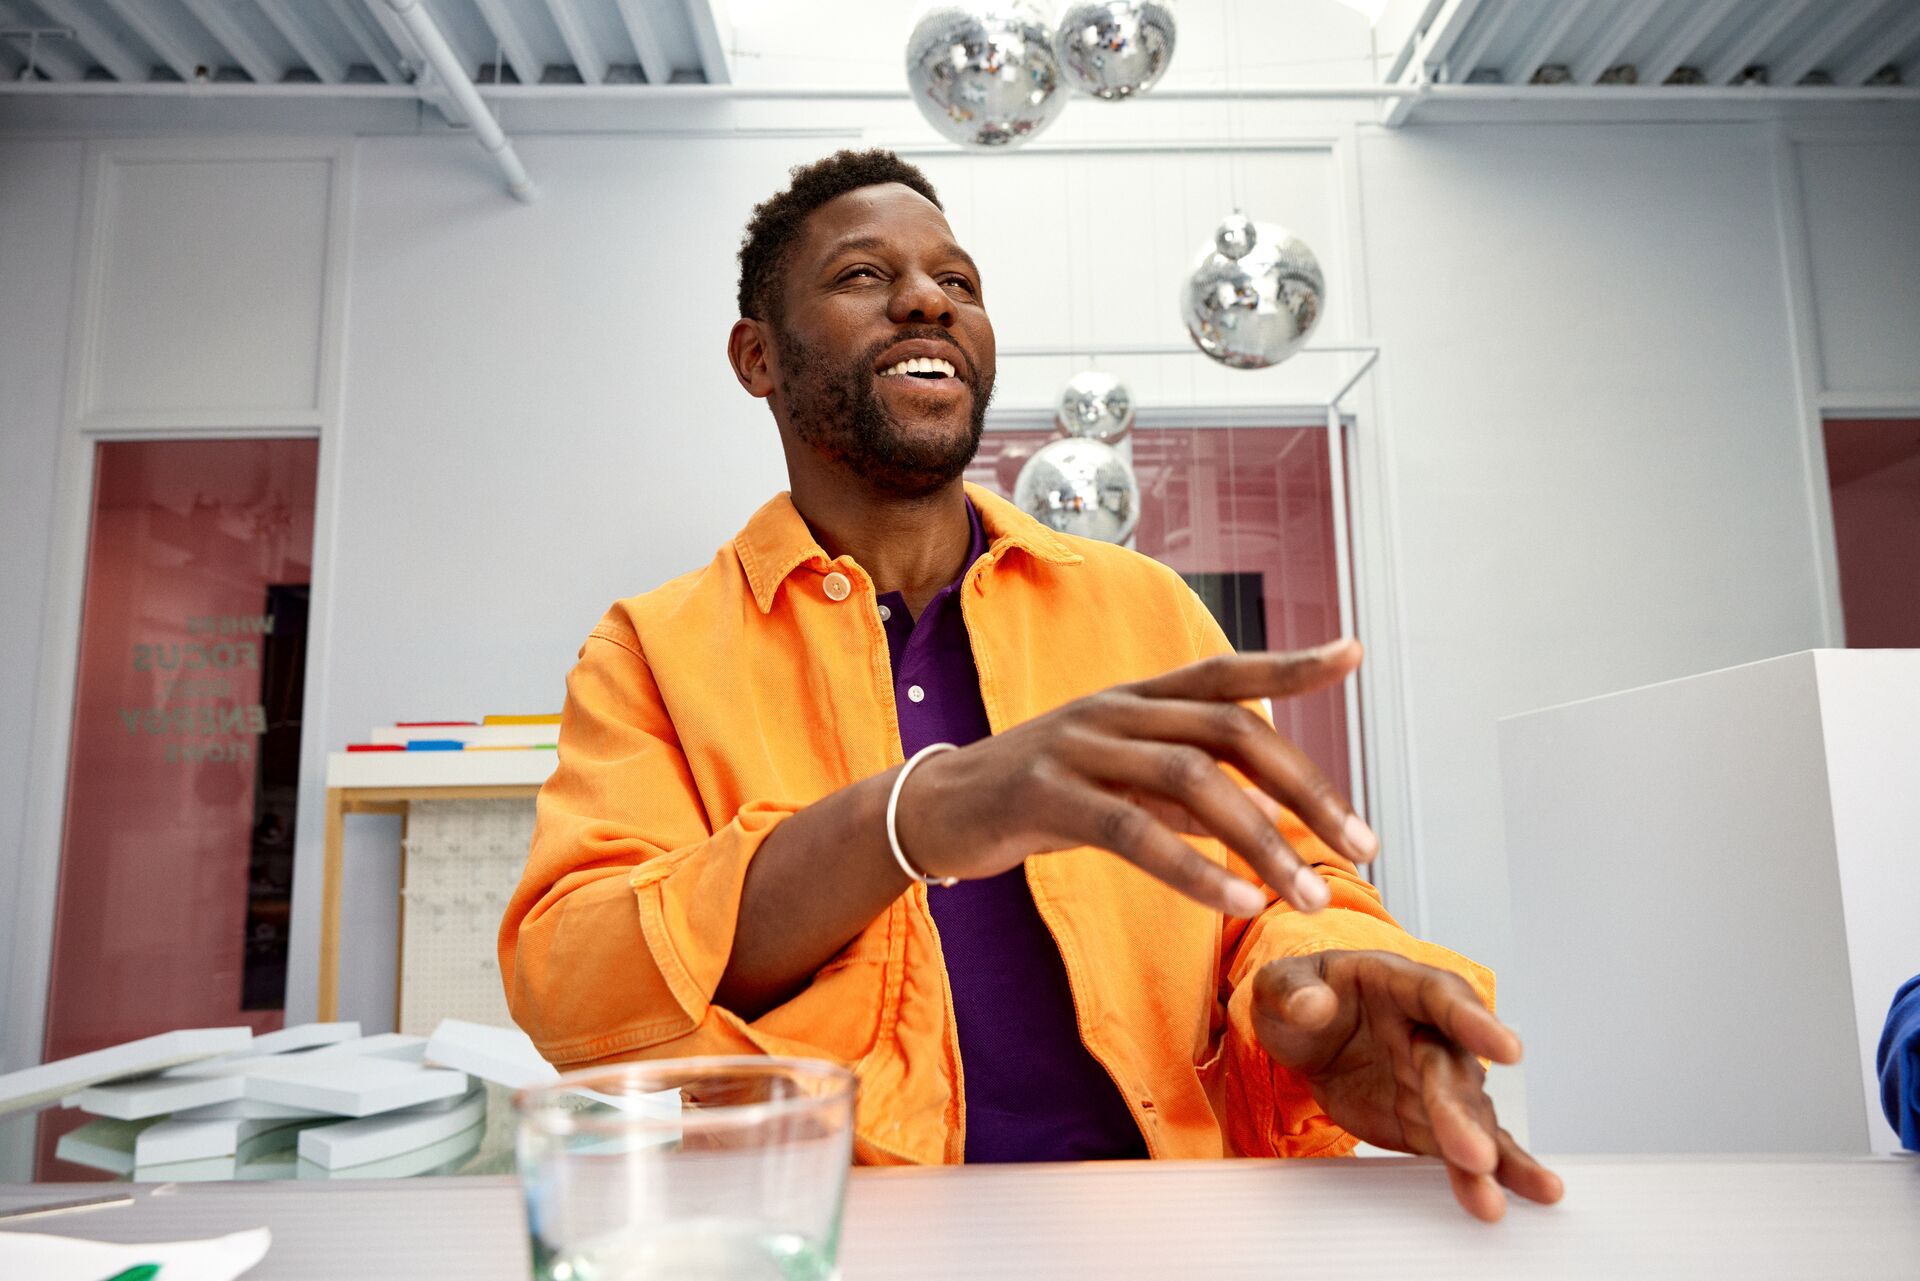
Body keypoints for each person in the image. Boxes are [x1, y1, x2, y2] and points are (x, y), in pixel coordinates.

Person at [499, 149, 1562, 1222]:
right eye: (865, 276)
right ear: (757, 356)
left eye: (959, 283)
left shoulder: (1146, 612)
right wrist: (913, 818)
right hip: (842, 1235)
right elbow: (570, 977)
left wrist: (1314, 980)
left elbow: (1291, 889)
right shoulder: (652, 649)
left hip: (1166, 1229)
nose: (928, 299)